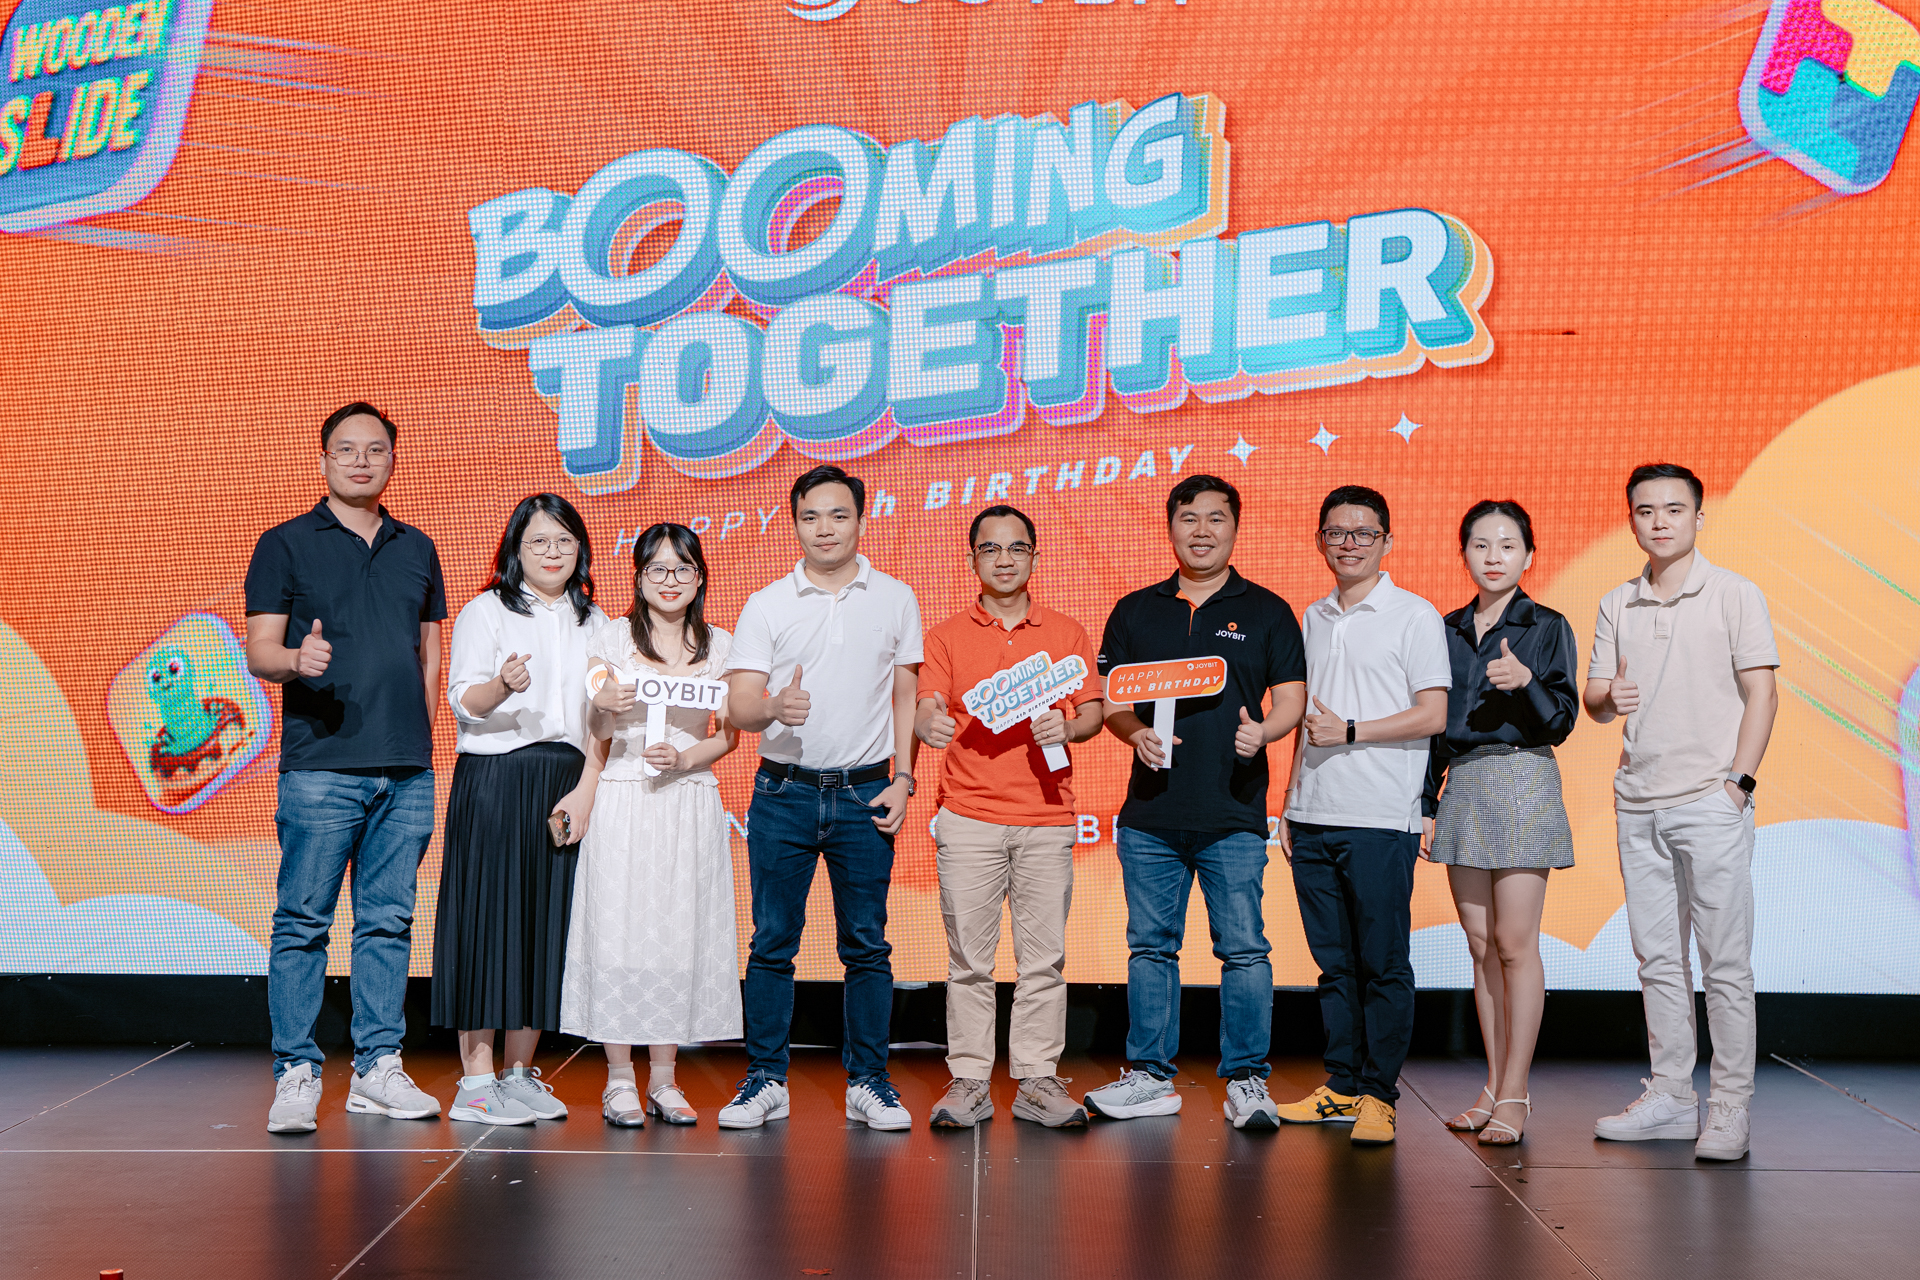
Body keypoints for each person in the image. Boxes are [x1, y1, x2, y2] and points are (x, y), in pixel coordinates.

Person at [245, 402, 448, 1134]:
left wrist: (422, 741)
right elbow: (259, 650)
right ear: (324, 459)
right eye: (346, 449)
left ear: (393, 459)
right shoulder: (286, 543)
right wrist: (295, 660)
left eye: (375, 450)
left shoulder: (416, 546)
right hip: (321, 769)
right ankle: (296, 1072)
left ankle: (377, 1066)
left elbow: (429, 653)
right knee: (303, 921)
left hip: (407, 771)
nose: (361, 461)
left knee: (387, 923)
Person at [1086, 476, 1307, 1130]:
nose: (1202, 531)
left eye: (1216, 518)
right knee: (1151, 948)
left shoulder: (1267, 610)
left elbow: (1292, 699)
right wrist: (1135, 734)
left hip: (1233, 814)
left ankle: (1247, 1081)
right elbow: (1112, 702)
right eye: (1189, 518)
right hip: (1150, 817)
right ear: (1170, 526)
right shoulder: (1135, 610)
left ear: (1235, 528)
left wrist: (1264, 732)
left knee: (1244, 949)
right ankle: (1151, 1078)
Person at [1584, 463, 1779, 1162]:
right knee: (1658, 959)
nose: (1659, 521)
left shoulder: (1733, 594)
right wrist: (1608, 698)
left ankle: (1729, 1107)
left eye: (1673, 508)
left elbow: (1763, 693)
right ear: (1632, 521)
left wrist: (1738, 785)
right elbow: (1595, 700)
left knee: (1724, 962)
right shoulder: (1618, 602)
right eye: (1645, 510)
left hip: (1709, 801)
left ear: (1698, 517)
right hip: (1638, 802)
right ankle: (1671, 1096)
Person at [719, 465, 923, 1132]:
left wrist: (904, 778)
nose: (825, 528)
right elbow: (740, 704)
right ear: (795, 522)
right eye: (811, 516)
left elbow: (905, 696)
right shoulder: (767, 603)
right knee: (772, 942)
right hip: (783, 792)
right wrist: (773, 706)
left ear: (861, 520)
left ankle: (869, 1082)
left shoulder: (895, 597)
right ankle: (765, 1080)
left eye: (839, 515)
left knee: (866, 944)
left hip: (867, 791)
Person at [916, 506, 1106, 1130]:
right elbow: (927, 704)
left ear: (1034, 557)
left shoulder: (1066, 632)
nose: (1004, 559)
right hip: (968, 816)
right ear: (972, 559)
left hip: (1047, 817)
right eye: (990, 549)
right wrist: (928, 722)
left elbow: (1093, 712)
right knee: (970, 962)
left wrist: (1069, 726)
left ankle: (1036, 1081)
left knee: (1043, 961)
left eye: (1016, 548)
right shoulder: (946, 635)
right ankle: (970, 1081)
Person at [1277, 485, 1450, 1146]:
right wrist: (1288, 803)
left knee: (1383, 963)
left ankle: (1380, 1095)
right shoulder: (1313, 616)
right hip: (1312, 814)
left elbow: (1433, 714)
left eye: (1363, 533)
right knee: (1335, 965)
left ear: (1386, 541)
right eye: (1337, 533)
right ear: (1320, 540)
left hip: (1380, 816)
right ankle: (1343, 1085)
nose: (1349, 544)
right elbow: (1304, 718)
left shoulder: (1414, 615)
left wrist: (1352, 731)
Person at [432, 494, 606, 1126]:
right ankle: (476, 1083)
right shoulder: (485, 611)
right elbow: (464, 701)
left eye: (564, 541)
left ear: (580, 549)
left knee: (543, 923)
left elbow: (603, 716)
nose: (552, 553)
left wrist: (588, 786)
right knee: (486, 919)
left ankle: (519, 1073)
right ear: (516, 549)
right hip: (498, 777)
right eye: (538, 542)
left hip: (565, 780)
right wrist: (501, 685)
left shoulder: (597, 621)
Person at [561, 524, 741, 1127]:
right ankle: (618, 1080)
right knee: (618, 932)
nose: (670, 580)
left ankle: (664, 1080)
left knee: (677, 934)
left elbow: (729, 736)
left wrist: (686, 758)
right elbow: (597, 729)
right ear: (638, 578)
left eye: (682, 569)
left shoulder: (722, 646)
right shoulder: (612, 638)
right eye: (658, 569)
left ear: (699, 578)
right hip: (624, 797)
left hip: (687, 800)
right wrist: (602, 706)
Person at [1421, 500, 1579, 1146]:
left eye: (1508, 545)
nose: (1494, 556)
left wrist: (1525, 683)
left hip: (1521, 778)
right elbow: (1434, 725)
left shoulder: (1546, 625)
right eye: (1481, 544)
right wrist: (1427, 803)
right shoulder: (1446, 629)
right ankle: (1492, 1087)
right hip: (1464, 784)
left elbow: (1562, 721)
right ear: (1464, 553)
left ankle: (1516, 1092)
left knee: (1516, 943)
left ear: (1529, 556)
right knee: (1480, 944)